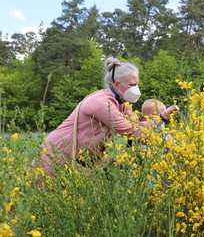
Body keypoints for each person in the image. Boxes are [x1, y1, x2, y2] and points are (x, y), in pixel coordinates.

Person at [34, 58, 179, 177]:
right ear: (117, 84)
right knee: (50, 203)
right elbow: (134, 132)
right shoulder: (102, 103)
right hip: (58, 155)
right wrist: (163, 120)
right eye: (132, 84)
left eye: (137, 84)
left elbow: (139, 130)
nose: (136, 88)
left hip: (79, 160)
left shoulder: (121, 103)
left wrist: (170, 138)